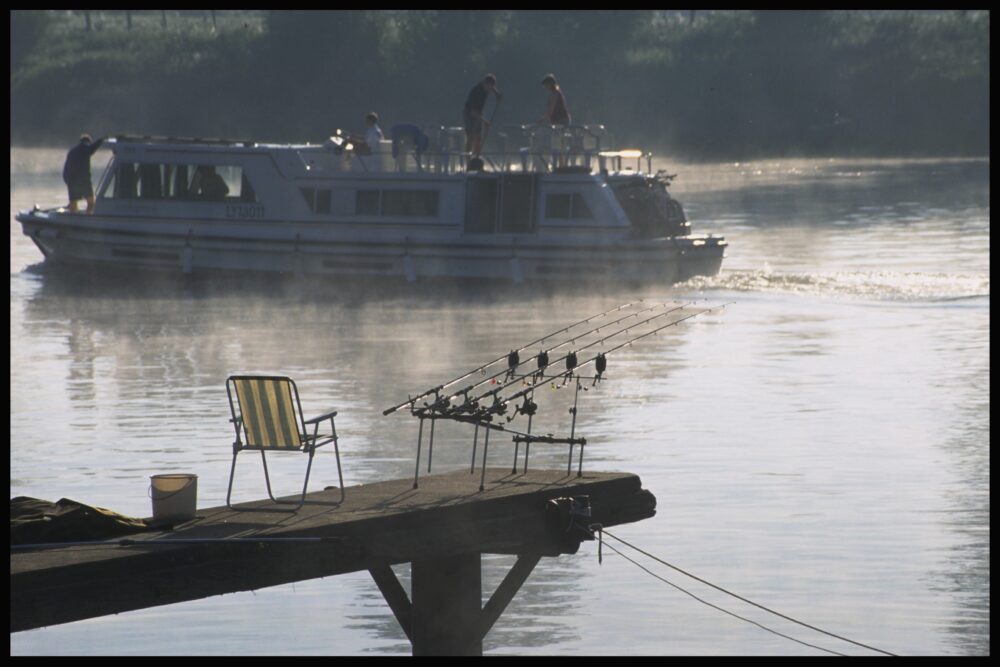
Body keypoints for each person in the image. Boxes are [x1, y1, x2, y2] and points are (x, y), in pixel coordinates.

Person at [62, 134, 105, 213]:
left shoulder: (71, 151)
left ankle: (73, 218)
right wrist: (102, 140)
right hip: (84, 181)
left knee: (73, 202)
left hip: (71, 181)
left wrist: (67, 181)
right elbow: (92, 148)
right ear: (88, 142)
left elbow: (65, 169)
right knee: (91, 202)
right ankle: (88, 216)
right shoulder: (85, 148)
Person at [463, 74, 502, 157]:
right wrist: (485, 122)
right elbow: (473, 111)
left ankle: (477, 160)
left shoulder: (487, 87)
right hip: (469, 114)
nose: (491, 89)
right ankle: (468, 162)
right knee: (471, 137)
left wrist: (497, 94)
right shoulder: (477, 92)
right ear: (486, 84)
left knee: (478, 138)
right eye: (490, 87)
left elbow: (492, 87)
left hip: (478, 113)